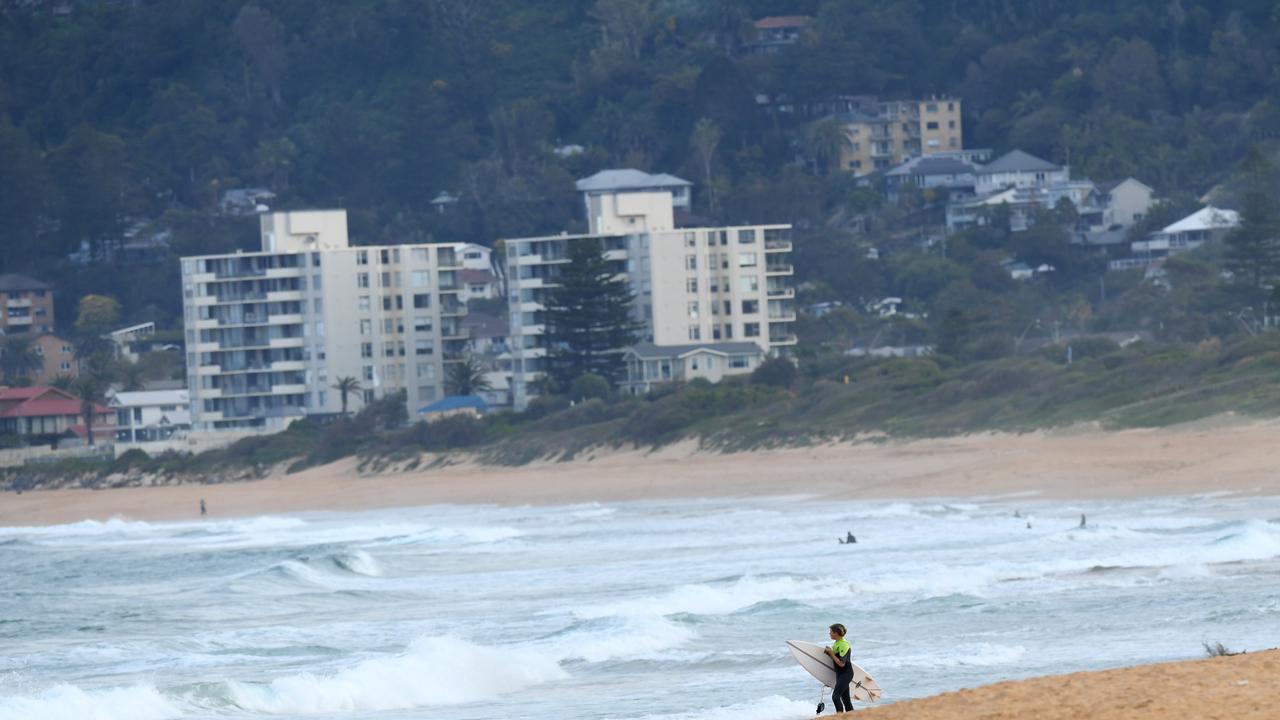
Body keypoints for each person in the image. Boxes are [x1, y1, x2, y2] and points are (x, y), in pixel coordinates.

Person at [824, 623, 854, 713]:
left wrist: (831, 652)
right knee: (845, 699)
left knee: (835, 696)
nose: (829, 633)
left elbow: (841, 663)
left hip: (846, 673)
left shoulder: (844, 644)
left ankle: (839, 717)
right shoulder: (837, 643)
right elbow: (835, 658)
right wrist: (829, 652)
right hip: (840, 674)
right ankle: (852, 717)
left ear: (836, 633)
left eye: (831, 632)